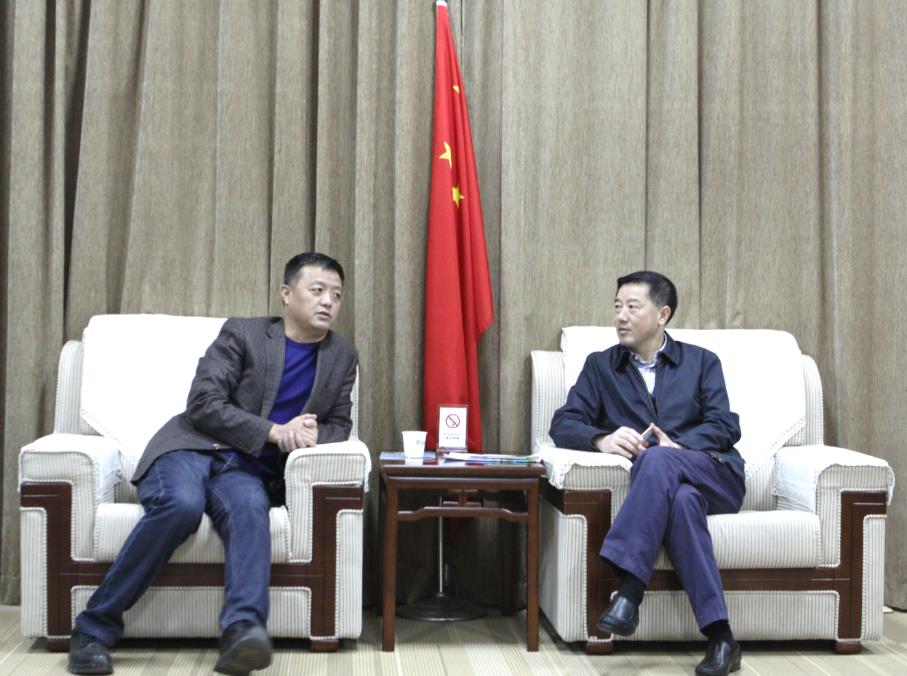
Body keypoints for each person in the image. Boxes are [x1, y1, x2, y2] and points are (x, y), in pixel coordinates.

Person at [68, 252, 358, 676]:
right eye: (317, 290)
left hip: (246, 472)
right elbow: (203, 403)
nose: (328, 301)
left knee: (251, 510)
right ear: (286, 293)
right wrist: (275, 431)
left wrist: (312, 436)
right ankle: (91, 630)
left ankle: (243, 634)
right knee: (180, 506)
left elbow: (341, 425)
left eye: (337, 294)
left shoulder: (342, 356)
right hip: (191, 448)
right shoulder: (244, 333)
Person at [549, 271, 745, 676]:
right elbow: (563, 423)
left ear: (662, 314)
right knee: (682, 503)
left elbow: (725, 425)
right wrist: (601, 438)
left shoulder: (702, 361)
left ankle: (630, 590)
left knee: (656, 458)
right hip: (675, 490)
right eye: (617, 306)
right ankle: (722, 638)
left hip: (716, 474)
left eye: (632, 307)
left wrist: (680, 446)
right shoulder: (601, 367)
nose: (620, 316)